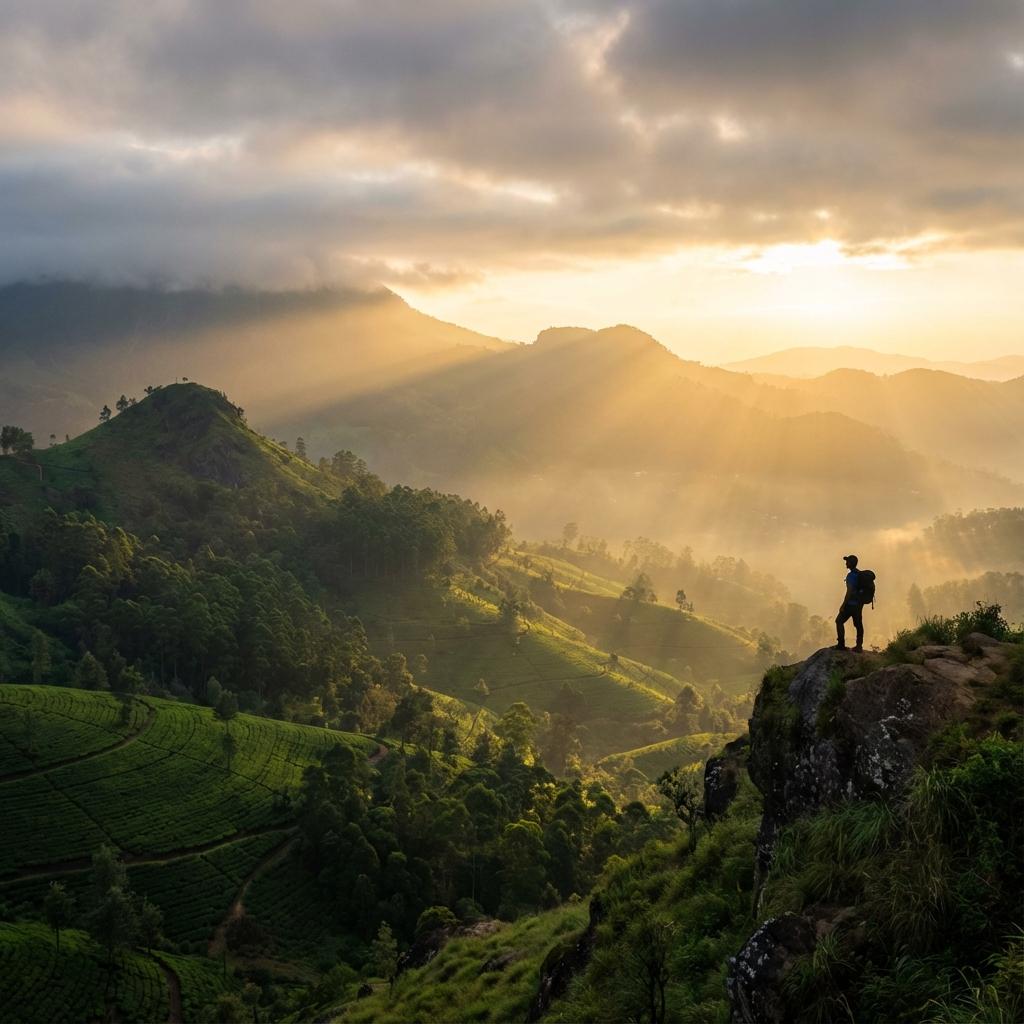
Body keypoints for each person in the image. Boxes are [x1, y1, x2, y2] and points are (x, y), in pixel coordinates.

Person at [835, 554, 865, 652]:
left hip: (850, 604)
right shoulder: (859, 574)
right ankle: (859, 646)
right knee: (858, 625)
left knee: (839, 621)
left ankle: (841, 645)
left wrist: (843, 605)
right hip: (859, 604)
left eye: (847, 561)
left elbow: (849, 591)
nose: (846, 563)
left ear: (851, 563)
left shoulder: (851, 575)